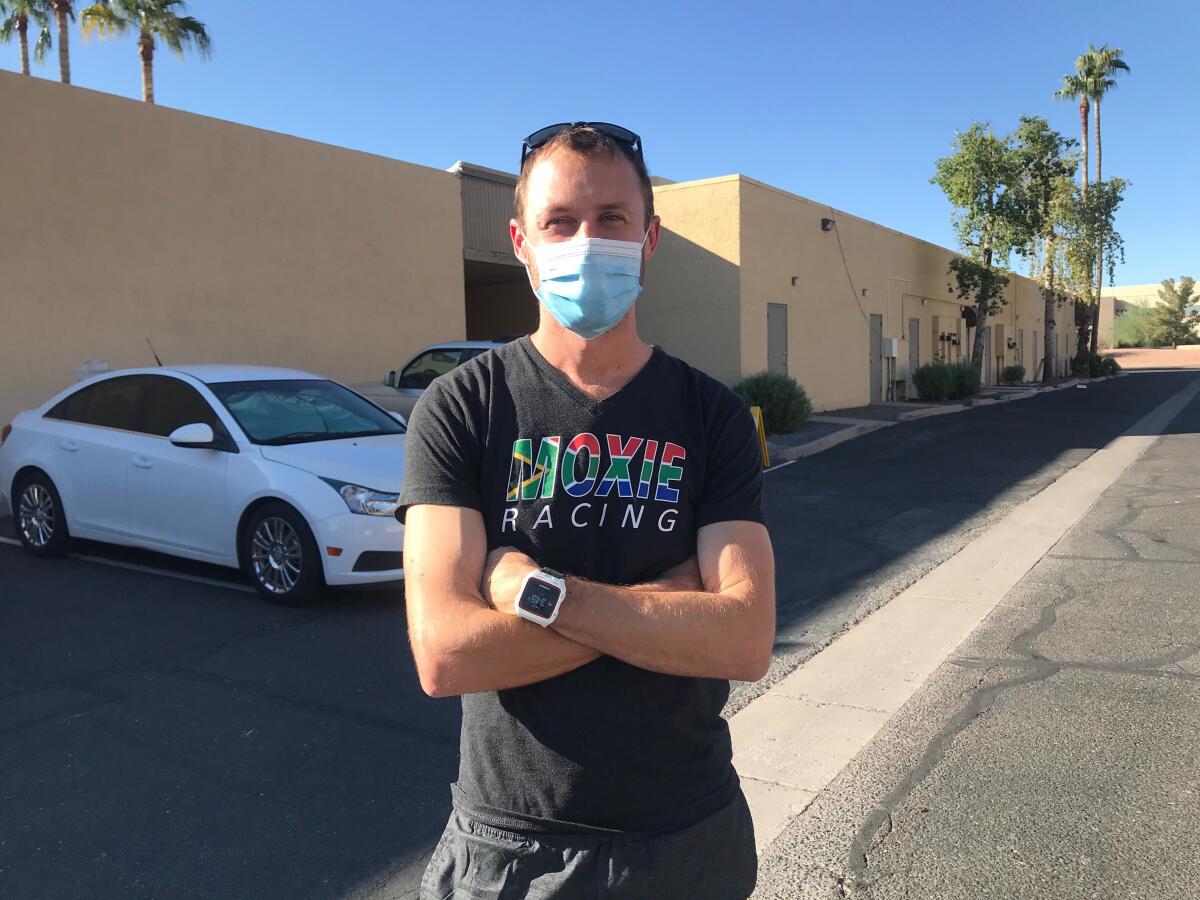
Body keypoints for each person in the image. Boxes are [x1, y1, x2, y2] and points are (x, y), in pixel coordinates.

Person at [400, 121, 776, 899]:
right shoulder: (461, 409)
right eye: (559, 222)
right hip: (511, 847)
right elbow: (446, 656)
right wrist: (668, 612)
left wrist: (531, 591)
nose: (585, 241)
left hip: (688, 839)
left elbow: (743, 639)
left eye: (612, 218)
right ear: (520, 243)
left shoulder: (711, 416)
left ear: (650, 238)